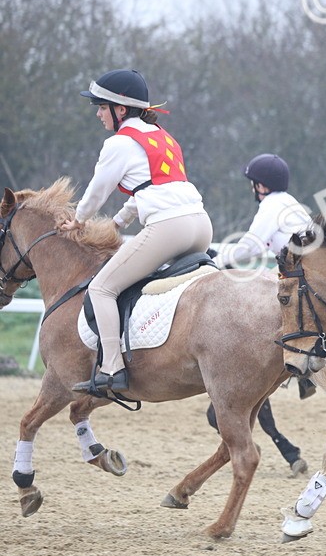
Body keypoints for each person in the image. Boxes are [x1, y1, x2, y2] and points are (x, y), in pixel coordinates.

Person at [61, 69, 213, 394]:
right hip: (201, 225)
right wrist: (118, 222)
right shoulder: (162, 136)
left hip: (169, 228)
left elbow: (96, 190)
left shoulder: (118, 143)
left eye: (102, 107)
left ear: (120, 109)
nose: (98, 114)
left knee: (102, 289)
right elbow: (151, 189)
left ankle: (112, 368)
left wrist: (79, 219)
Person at [214, 153, 310, 269]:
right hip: (304, 264)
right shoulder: (286, 200)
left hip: (304, 268)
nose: (252, 189)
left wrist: (215, 263)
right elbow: (257, 248)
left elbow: (250, 246)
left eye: (253, 184)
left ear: (261, 186)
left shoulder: (272, 204)